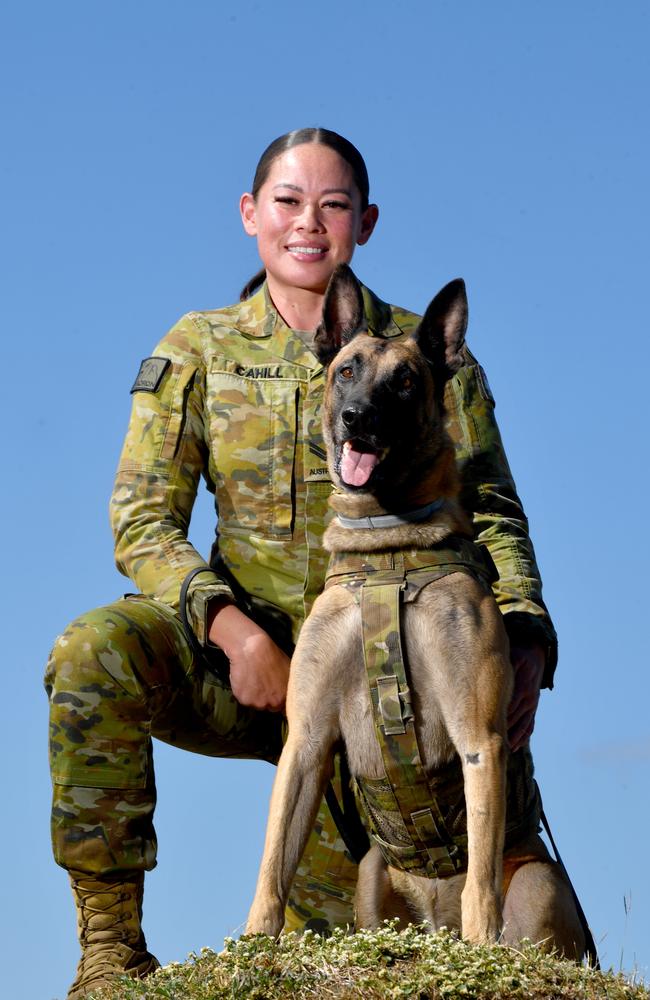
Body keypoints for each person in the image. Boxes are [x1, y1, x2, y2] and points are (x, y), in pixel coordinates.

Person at [45, 127, 557, 999]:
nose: (308, 223)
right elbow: (140, 520)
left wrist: (526, 635)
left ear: (366, 221)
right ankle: (110, 955)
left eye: (333, 204)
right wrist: (231, 629)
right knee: (91, 654)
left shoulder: (424, 360)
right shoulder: (200, 348)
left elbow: (493, 508)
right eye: (287, 202)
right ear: (251, 214)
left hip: (391, 706)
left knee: (349, 952)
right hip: (240, 669)